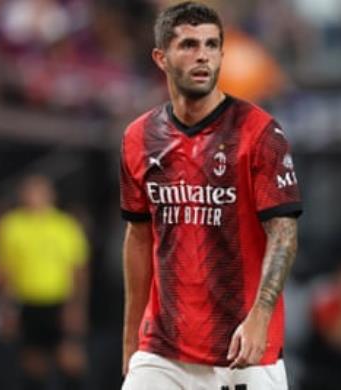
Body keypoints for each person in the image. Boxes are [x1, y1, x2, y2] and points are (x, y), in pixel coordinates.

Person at [119, 2, 302, 389]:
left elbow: (283, 233)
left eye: (211, 44)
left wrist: (260, 318)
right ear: (160, 57)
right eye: (187, 45)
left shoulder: (259, 133)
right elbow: (138, 237)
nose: (202, 55)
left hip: (243, 349)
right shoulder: (138, 137)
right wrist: (131, 337)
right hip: (162, 350)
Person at [0, 175, 89, 390]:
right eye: (30, 191)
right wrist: (6, 308)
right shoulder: (11, 225)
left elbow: (78, 270)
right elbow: (2, 271)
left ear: (51, 195)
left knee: (71, 360)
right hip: (26, 301)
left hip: (59, 300)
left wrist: (76, 306)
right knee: (32, 363)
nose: (35, 197)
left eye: (40, 191)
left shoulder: (64, 226)